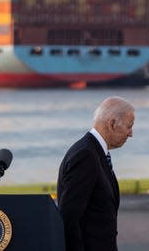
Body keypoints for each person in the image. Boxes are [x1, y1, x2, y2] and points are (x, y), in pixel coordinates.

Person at [56, 96, 135, 251]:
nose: (131, 134)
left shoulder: (94, 152)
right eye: (129, 126)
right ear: (112, 124)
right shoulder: (85, 155)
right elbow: (69, 216)